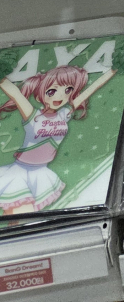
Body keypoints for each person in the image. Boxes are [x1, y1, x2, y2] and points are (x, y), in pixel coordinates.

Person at [0, 65, 115, 215]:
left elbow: (92, 88)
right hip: (20, 173)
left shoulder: (64, 114)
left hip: (41, 172)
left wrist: (114, 69)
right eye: (52, 91)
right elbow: (16, 94)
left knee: (18, 219)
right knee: (19, 216)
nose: (60, 96)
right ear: (39, 96)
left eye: (68, 90)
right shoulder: (33, 115)